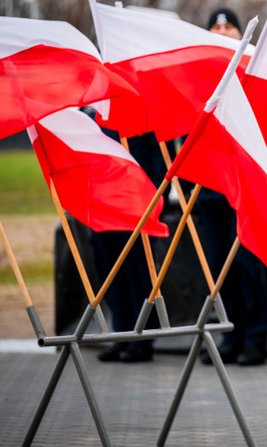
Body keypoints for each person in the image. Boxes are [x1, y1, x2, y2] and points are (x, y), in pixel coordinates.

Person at [197, 6, 267, 367]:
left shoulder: (252, 70)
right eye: (217, 25)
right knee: (218, 265)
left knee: (246, 263)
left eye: (230, 26)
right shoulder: (200, 72)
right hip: (211, 187)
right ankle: (231, 334)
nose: (223, 30)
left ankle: (255, 339)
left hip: (245, 185)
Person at [90, 117, 165, 363]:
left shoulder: (137, 107)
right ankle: (121, 334)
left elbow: (159, 154)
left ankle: (142, 338)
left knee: (138, 274)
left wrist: (153, 198)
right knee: (111, 273)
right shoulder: (90, 110)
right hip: (101, 204)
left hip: (135, 203)